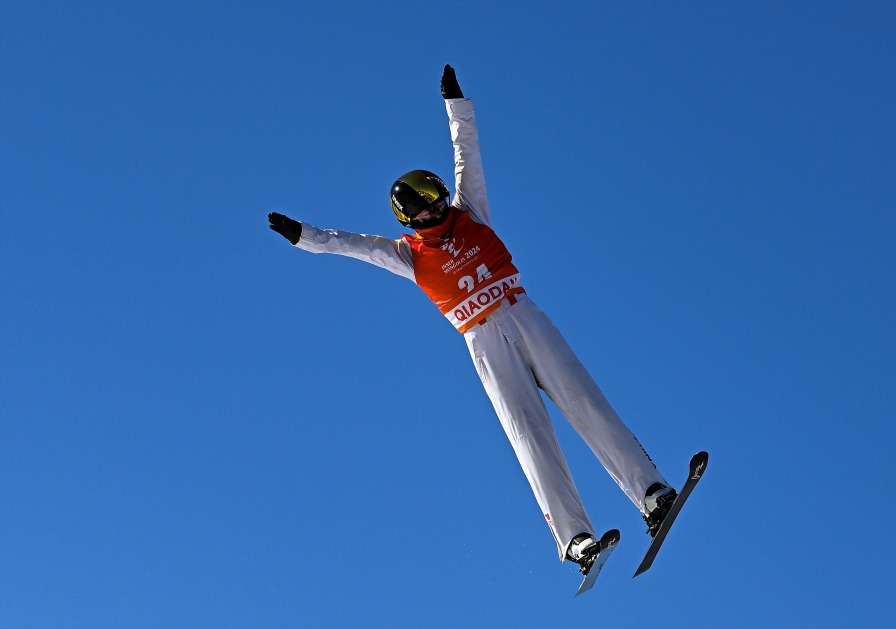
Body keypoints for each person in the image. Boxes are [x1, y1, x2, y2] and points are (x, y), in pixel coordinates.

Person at [267, 65, 677, 575]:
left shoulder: (471, 212)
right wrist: (303, 234)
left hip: (520, 311)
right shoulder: (408, 254)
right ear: (409, 219)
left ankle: (653, 494)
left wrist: (456, 103)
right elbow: (351, 245)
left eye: (437, 199)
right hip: (481, 339)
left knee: (582, 398)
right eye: (425, 210)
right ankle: (575, 540)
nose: (437, 211)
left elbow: (469, 153)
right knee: (527, 432)